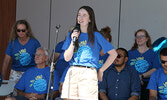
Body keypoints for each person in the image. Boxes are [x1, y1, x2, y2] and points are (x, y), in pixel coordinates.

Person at [61, 6, 117, 100]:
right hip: (73, 70)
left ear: (90, 19)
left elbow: (113, 54)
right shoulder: (71, 34)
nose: (80, 18)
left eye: (84, 15)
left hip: (88, 72)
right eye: (79, 15)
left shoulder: (96, 35)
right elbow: (66, 58)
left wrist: (101, 70)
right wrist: (72, 42)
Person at [127, 29, 161, 100]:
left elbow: (155, 69)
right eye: (137, 37)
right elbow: (125, 68)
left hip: (146, 84)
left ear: (147, 39)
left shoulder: (152, 54)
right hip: (131, 83)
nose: (139, 38)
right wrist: (136, 78)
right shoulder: (130, 53)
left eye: (142, 36)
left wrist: (141, 76)